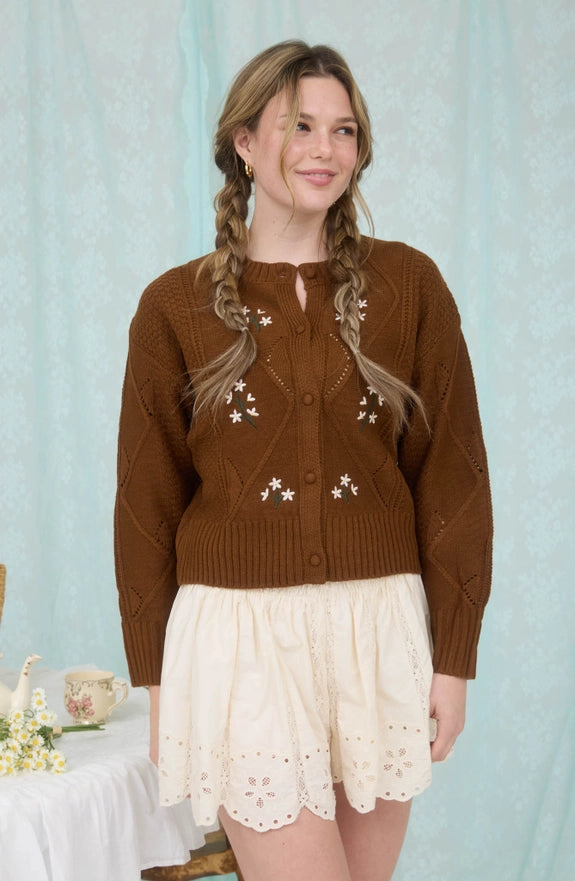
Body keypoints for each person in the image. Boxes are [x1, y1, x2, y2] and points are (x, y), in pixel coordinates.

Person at [114, 39, 492, 881]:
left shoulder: (408, 287)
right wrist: (160, 684)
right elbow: (146, 503)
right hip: (239, 642)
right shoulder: (174, 307)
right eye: (299, 126)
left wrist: (452, 659)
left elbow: (453, 477)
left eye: (343, 129)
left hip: (376, 631)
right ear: (245, 143)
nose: (325, 149)